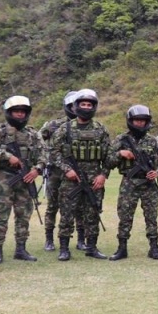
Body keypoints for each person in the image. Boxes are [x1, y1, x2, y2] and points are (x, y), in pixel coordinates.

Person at [50, 88, 111, 261]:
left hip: (94, 180)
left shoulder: (101, 130)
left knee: (93, 212)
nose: (86, 107)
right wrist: (66, 169)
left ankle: (91, 247)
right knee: (67, 214)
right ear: (76, 106)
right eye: (83, 104)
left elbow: (109, 155)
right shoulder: (65, 129)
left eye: (89, 104)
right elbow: (53, 152)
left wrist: (103, 175)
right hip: (71, 180)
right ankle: (64, 248)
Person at [0, 95, 46, 264]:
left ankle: (21, 249)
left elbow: (44, 154)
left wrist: (37, 169)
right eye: (16, 111)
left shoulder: (33, 134)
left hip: (26, 179)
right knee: (0, 215)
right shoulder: (0, 131)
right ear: (9, 113)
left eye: (22, 112)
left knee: (24, 215)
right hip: (4, 178)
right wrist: (6, 156)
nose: (19, 115)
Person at [108, 105, 158, 261]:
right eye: (136, 120)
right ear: (130, 121)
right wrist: (120, 153)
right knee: (125, 216)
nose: (140, 124)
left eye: (142, 121)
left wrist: (157, 172)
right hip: (129, 183)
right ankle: (122, 248)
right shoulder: (121, 139)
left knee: (151, 216)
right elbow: (108, 161)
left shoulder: (153, 141)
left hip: (148, 184)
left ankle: (154, 248)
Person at [39, 90, 76, 251]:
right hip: (55, 171)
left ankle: (81, 238)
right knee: (52, 206)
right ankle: (49, 239)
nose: (75, 109)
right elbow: (38, 140)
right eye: (71, 106)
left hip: (74, 171)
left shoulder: (87, 126)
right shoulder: (53, 125)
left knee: (77, 206)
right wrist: (45, 158)